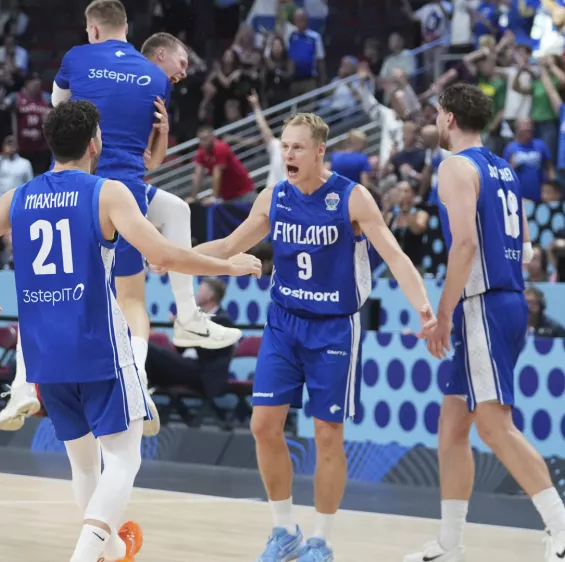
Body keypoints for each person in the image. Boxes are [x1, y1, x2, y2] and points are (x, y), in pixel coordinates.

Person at [0, 99, 262, 562]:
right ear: (95, 142)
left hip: (43, 353)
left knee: (82, 463)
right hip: (98, 344)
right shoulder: (107, 192)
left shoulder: (20, 197)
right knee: (123, 459)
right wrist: (227, 265)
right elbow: (165, 255)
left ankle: (113, 550)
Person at [185, 113, 436, 562]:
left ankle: (321, 541)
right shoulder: (274, 196)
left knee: (327, 435)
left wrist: (424, 309)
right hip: (283, 322)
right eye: (284, 147)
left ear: (320, 151)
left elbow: (395, 257)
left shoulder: (351, 197)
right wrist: (173, 257)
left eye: (297, 148)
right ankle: (285, 533)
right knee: (263, 426)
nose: (288, 155)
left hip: (334, 327)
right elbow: (227, 246)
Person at [0, 0, 241, 437]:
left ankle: (23, 386)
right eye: (181, 63)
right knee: (130, 300)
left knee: (44, 297)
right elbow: (151, 158)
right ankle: (142, 371)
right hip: (119, 194)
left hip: (77, 189)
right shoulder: (154, 81)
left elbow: (62, 117)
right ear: (149, 47)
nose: (183, 72)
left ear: (92, 30)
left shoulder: (76, 59)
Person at [407, 83, 565, 562]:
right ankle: (450, 544)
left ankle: (564, 527)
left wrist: (445, 312)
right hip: (507, 300)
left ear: (448, 118)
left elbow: (465, 245)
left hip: (483, 306)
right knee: (452, 428)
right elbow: (528, 248)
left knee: (494, 426)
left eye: (437, 114)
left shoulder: (454, 166)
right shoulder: (505, 168)